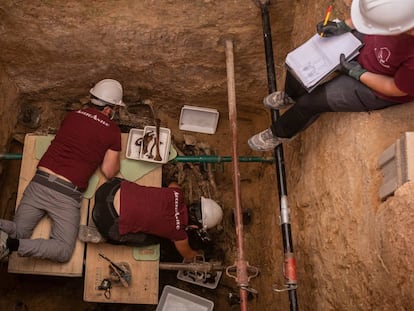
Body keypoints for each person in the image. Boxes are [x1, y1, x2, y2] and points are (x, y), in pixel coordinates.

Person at [248, 0, 414, 151]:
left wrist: (358, 73)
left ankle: (279, 133)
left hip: (379, 85)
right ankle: (290, 95)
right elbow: (375, 16)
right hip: (369, 46)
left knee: (312, 102)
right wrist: (344, 26)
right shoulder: (400, 8)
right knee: (301, 64)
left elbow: (395, 88)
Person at [0, 78, 125, 262]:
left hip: (39, 182)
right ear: (108, 109)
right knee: (64, 250)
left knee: (18, 232)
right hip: (65, 194)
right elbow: (108, 171)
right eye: (114, 109)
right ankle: (12, 245)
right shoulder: (112, 130)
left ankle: (9, 241)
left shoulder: (73, 115)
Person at [79, 177, 223, 261]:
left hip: (106, 189)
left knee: (136, 190)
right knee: (152, 239)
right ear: (195, 226)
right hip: (105, 220)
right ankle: (101, 235)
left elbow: (173, 184)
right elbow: (189, 255)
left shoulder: (177, 193)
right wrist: (200, 254)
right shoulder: (179, 234)